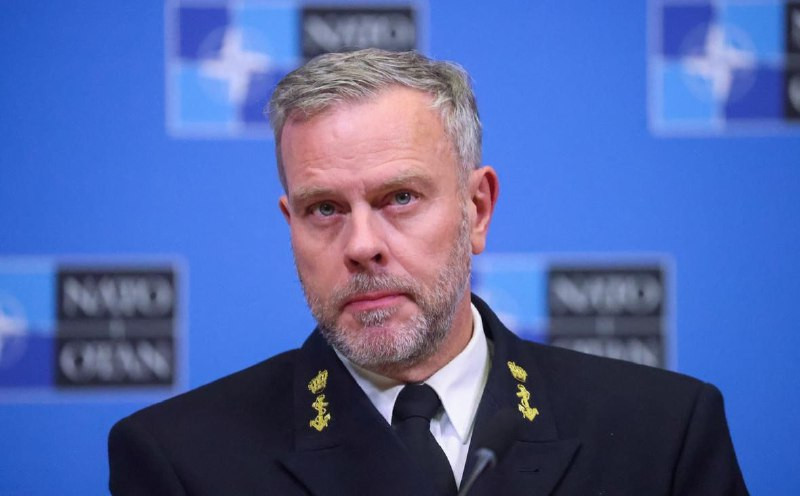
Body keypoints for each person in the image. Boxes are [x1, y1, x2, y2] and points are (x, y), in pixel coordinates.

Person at [108, 49, 748, 495]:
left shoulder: (662, 432)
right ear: (290, 223)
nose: (361, 245)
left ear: (477, 209)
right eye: (324, 208)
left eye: (400, 198)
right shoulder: (178, 461)